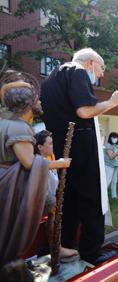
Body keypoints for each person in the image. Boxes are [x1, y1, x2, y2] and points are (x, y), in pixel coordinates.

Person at [40, 48, 118, 265]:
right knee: (91, 196)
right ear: (89, 63)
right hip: (80, 140)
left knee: (68, 198)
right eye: (101, 68)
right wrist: (113, 102)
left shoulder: (50, 79)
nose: (101, 75)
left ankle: (67, 246)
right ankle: (91, 251)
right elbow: (85, 111)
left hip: (61, 143)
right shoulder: (77, 71)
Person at [0, 70, 71, 271]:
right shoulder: (18, 128)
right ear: (28, 104)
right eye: (37, 100)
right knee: (48, 204)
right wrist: (60, 163)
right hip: (10, 187)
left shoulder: (4, 123)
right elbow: (30, 163)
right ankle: (14, 260)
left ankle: (54, 247)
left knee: (50, 205)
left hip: (5, 181)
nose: (40, 103)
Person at [34, 130, 79, 262]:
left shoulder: (49, 160)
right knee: (53, 215)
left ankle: (56, 248)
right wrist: (61, 163)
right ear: (40, 147)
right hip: (42, 204)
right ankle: (56, 248)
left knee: (53, 216)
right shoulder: (38, 162)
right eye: (50, 143)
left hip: (50, 203)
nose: (53, 146)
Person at [104, 132, 118, 199]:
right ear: (110, 138)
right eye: (113, 137)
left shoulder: (116, 145)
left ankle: (114, 196)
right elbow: (111, 156)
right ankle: (102, 197)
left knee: (114, 181)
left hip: (115, 165)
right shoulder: (108, 145)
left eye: (116, 137)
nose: (115, 138)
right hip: (109, 165)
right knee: (108, 181)